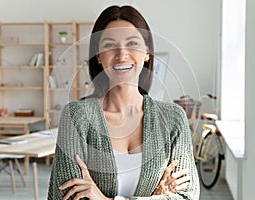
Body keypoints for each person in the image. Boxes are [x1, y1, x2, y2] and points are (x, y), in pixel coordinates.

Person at [48, 5, 199, 200]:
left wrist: (104, 199)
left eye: (132, 43)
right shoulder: (77, 117)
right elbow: (64, 197)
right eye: (110, 45)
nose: (122, 55)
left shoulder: (173, 119)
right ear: (98, 56)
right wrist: (157, 196)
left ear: (147, 53)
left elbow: (187, 197)